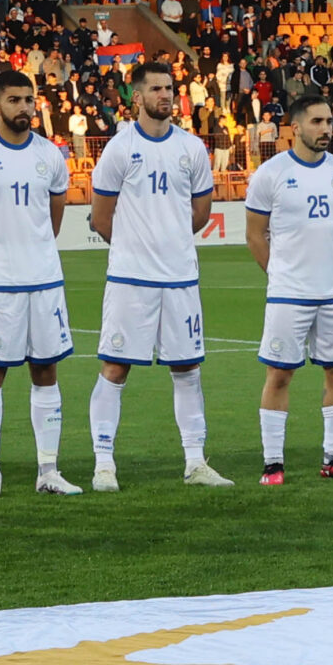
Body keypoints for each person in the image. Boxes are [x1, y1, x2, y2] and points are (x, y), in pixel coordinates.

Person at [87, 60, 234, 490]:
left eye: (169, 88)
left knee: (187, 369)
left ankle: (195, 462)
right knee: (115, 367)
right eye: (155, 89)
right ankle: (103, 464)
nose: (165, 95)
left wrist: (169, 242)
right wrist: (134, 248)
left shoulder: (191, 148)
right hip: (130, 279)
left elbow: (201, 212)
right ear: (137, 97)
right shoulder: (119, 148)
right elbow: (101, 217)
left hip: (180, 278)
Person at [0, 69, 82, 498]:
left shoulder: (51, 155)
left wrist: (32, 253)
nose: (24, 107)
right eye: (14, 100)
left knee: (46, 370)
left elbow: (53, 221)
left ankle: (48, 470)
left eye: (29, 100)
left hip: (44, 282)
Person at [244, 92, 333, 485]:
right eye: (317, 122)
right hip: (288, 295)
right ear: (295, 127)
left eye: (329, 121)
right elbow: (255, 234)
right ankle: (272, 465)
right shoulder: (271, 174)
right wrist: (280, 275)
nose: (326, 129)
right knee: (280, 374)